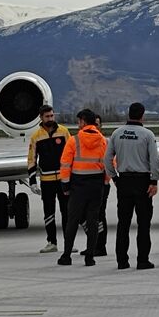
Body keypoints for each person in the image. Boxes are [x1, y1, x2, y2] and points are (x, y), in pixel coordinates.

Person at [104, 102, 159, 270]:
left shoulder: (117, 133)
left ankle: (122, 261)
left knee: (123, 224)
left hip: (124, 181)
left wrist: (114, 177)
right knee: (143, 224)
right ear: (142, 115)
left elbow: (107, 159)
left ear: (129, 114)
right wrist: (154, 180)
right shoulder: (147, 135)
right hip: (142, 182)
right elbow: (154, 160)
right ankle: (143, 260)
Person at [57, 109, 110, 267]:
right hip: (96, 185)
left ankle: (66, 256)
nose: (78, 124)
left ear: (84, 122)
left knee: (72, 221)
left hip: (78, 185)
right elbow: (110, 164)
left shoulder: (74, 140)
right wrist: (105, 182)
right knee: (93, 221)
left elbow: (65, 164)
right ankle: (90, 257)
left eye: (79, 121)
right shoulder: (104, 141)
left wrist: (65, 185)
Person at [27, 105, 70, 253]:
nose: (50, 118)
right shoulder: (36, 136)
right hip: (47, 180)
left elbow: (72, 153)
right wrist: (32, 181)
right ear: (41, 118)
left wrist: (72, 177)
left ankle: (69, 242)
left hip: (63, 180)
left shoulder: (64, 132)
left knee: (67, 211)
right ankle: (52, 242)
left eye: (52, 115)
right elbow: (31, 159)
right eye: (47, 116)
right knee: (49, 213)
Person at [80, 111, 110, 257]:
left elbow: (110, 163)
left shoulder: (105, 141)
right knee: (85, 215)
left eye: (97, 124)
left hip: (101, 184)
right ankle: (92, 244)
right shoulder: (80, 140)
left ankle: (100, 246)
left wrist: (106, 180)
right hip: (86, 183)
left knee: (99, 215)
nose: (95, 127)